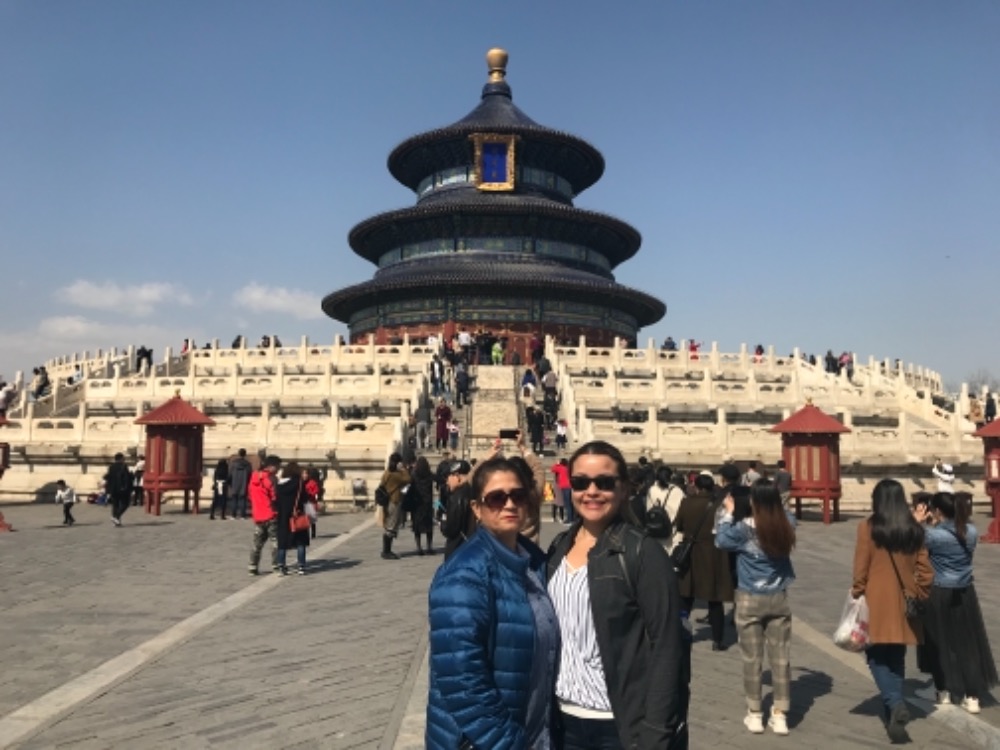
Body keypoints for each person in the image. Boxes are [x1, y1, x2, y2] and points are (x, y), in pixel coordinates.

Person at [547, 441, 688, 749]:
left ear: (624, 488)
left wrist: (655, 732)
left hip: (620, 724)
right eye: (581, 482)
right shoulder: (559, 547)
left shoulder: (643, 553)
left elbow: (667, 646)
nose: (592, 491)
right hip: (562, 720)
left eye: (605, 483)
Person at [426, 456, 558, 749]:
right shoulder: (463, 575)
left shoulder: (536, 563)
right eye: (496, 498)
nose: (509, 505)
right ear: (476, 508)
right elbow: (463, 683)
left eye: (518, 495)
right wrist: (508, 743)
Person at [851, 479, 933, 743]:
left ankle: (895, 704)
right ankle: (893, 722)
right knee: (896, 658)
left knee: (875, 656)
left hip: (876, 599)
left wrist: (857, 592)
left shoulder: (867, 527)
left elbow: (861, 567)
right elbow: (926, 570)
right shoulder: (913, 529)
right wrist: (918, 592)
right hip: (905, 601)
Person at [715, 481, 797, 736]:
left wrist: (729, 510)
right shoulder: (786, 524)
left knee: (752, 658)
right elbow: (788, 514)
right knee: (780, 657)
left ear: (754, 501)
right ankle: (780, 714)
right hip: (778, 596)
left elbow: (720, 540)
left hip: (750, 596)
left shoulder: (742, 529)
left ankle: (755, 713)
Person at [914, 492, 997, 713]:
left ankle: (943, 691)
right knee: (968, 644)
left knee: (938, 642)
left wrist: (918, 521)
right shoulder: (971, 532)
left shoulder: (934, 536)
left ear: (938, 511)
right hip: (965, 591)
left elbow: (911, 539)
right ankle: (972, 696)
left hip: (939, 591)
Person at [674, 473, 734, 651]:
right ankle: (718, 640)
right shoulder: (720, 505)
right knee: (715, 599)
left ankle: (681, 634)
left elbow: (679, 526)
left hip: (691, 552)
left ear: (697, 486)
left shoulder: (687, 502)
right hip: (714, 553)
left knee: (686, 598)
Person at [248, 455, 282, 575]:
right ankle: (276, 565)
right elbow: (275, 497)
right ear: (272, 466)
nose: (279, 469)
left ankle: (252, 566)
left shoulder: (253, 477)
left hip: (258, 515)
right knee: (275, 542)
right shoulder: (271, 479)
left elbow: (250, 495)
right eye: (278, 466)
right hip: (271, 514)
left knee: (257, 543)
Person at [274, 462, 310, 575]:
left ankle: (281, 566)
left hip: (283, 516)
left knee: (282, 542)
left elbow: (276, 501)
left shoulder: (279, 484)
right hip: (297, 515)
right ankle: (301, 566)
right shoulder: (299, 483)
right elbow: (304, 499)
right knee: (300, 541)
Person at [378, 452, 411, 560]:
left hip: (387, 501)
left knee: (389, 524)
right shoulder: (396, 475)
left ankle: (386, 550)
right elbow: (408, 479)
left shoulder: (387, 472)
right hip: (394, 501)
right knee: (392, 525)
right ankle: (386, 551)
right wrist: (404, 469)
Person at [440, 459, 474, 559]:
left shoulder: (457, 497)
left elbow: (450, 529)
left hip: (457, 547)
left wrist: (443, 523)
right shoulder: (473, 491)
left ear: (457, 476)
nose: (447, 482)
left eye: (448, 477)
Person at [647, 466, 686, 552]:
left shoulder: (652, 490)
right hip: (673, 532)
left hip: (656, 529)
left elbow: (648, 509)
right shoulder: (678, 491)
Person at [410, 456, 436, 555]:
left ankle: (419, 547)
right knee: (429, 526)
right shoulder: (429, 475)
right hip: (428, 503)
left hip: (417, 503)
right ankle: (429, 547)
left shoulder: (414, 475)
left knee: (417, 527)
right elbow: (439, 478)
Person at [105, 452, 133, 527]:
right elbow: (126, 478)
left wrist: (108, 490)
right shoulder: (124, 466)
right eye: (123, 458)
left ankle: (116, 521)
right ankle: (116, 516)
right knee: (125, 504)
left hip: (113, 489)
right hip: (122, 489)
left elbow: (108, 478)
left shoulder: (111, 466)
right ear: (121, 459)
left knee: (115, 505)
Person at [229, 448, 252, 519]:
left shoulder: (233, 463)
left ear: (238, 454)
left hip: (235, 482)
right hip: (244, 483)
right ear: (245, 454)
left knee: (234, 499)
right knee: (243, 499)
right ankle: (242, 515)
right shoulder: (248, 464)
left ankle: (233, 515)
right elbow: (250, 475)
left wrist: (230, 483)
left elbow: (230, 474)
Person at [551, 457, 572, 524]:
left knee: (567, 504)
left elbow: (553, 469)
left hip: (564, 486)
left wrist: (557, 464)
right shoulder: (568, 468)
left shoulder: (561, 468)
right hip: (569, 487)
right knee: (569, 504)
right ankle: (571, 518)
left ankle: (569, 519)